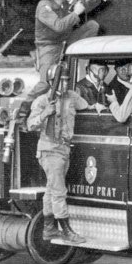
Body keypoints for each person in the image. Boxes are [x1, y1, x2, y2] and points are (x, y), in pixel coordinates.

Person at [26, 65, 89, 244]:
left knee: (51, 190)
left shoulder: (72, 97)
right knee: (59, 191)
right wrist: (45, 114)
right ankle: (66, 230)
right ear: (52, 83)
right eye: (60, 81)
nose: (64, 84)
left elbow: (86, 105)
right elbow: (30, 125)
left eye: (66, 81)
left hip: (64, 149)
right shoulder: (41, 101)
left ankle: (49, 228)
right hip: (49, 150)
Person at [34, 0, 102, 82]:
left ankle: (80, 59)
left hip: (66, 41)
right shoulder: (43, 7)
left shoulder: (64, 2)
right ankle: (28, 100)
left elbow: (83, 6)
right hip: (50, 46)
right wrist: (75, 13)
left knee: (92, 26)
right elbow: (58, 26)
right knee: (44, 83)